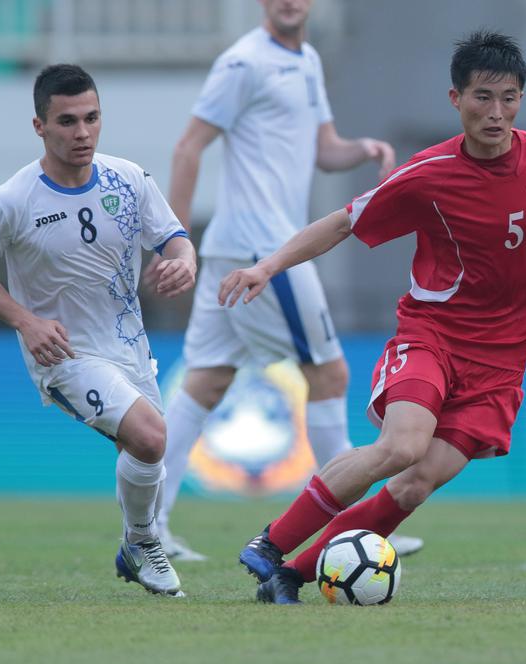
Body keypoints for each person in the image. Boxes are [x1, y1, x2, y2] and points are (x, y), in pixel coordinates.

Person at [218, 30, 526, 604]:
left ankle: (290, 576)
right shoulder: (428, 173)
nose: (497, 112)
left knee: (415, 485)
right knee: (401, 448)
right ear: (455, 99)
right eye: (483, 97)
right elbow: (345, 221)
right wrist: (267, 266)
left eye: (509, 98)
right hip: (432, 337)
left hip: (503, 360)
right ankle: (272, 542)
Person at [156, 0, 424, 561]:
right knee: (329, 375)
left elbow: (324, 151)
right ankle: (356, 526)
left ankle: (147, 527)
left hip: (240, 246)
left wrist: (361, 149)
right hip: (262, 249)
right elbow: (187, 146)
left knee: (203, 383)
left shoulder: (306, 60)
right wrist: (175, 242)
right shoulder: (242, 63)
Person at [0, 64, 196, 596]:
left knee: (143, 448)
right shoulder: (10, 201)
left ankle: (137, 542)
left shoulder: (129, 179)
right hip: (62, 353)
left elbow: (175, 238)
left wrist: (186, 261)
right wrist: (26, 321)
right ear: (39, 126)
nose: (82, 132)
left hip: (130, 345)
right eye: (66, 121)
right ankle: (142, 541)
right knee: (151, 437)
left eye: (91, 118)